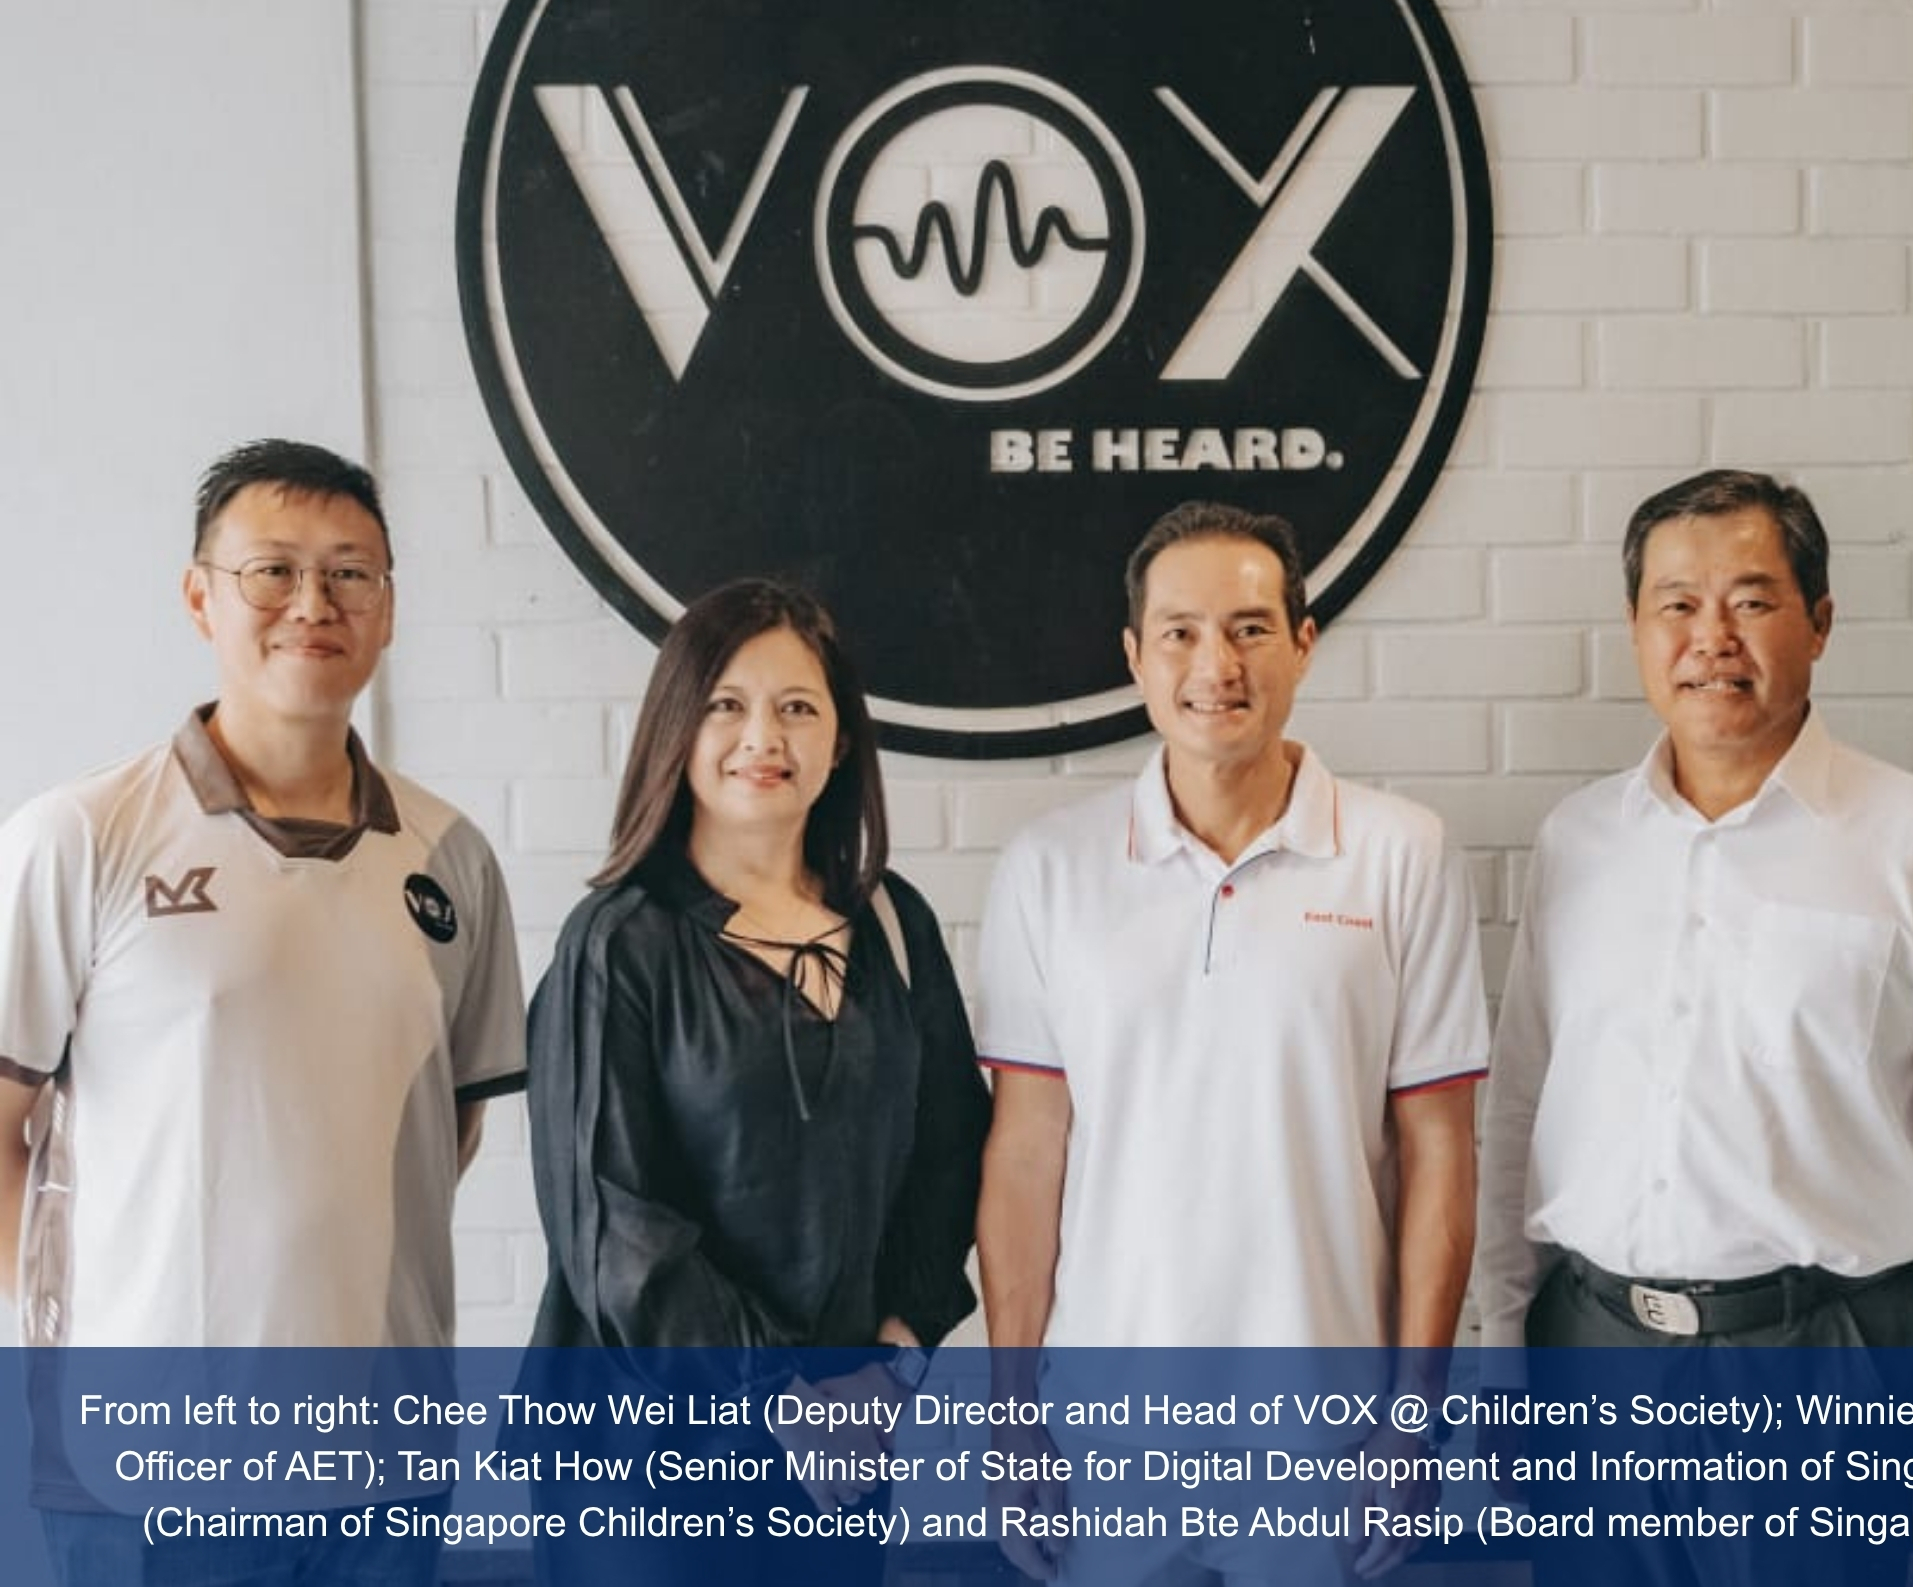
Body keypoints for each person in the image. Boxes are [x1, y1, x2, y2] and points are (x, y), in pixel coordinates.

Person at [1476, 468, 1913, 1585]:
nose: (1710, 637)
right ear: (1635, 631)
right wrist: (1490, 1344)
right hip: (1590, 1355)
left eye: (1750, 599)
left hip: (1827, 1357)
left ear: (1819, 621)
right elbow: (1521, 1102)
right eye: (1674, 604)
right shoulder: (1577, 840)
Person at [0, 438, 526, 1581]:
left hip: (384, 1456)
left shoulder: (452, 858)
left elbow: (449, 1128)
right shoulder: (79, 837)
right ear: (200, 595)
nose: (312, 604)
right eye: (271, 571)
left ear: (387, 609)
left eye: (350, 573)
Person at [974, 500, 1489, 1583]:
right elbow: (1025, 1155)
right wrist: (1011, 1416)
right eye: (1180, 632)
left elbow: (1439, 1153)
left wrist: (1412, 1420)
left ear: (1304, 644)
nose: (1217, 662)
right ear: (1134, 656)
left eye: (1251, 628)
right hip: (1105, 1430)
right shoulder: (1049, 868)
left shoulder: (1404, 853)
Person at [522, 576, 988, 1586]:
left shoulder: (893, 924)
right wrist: (789, 1396)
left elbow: (953, 1152)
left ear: (842, 741)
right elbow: (615, 1231)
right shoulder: (618, 943)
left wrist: (893, 1353)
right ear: (675, 731)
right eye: (726, 704)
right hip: (646, 1481)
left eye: (797, 707)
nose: (760, 736)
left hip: (842, 1463)